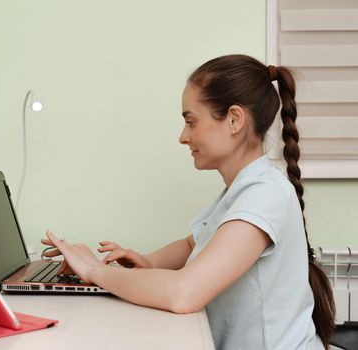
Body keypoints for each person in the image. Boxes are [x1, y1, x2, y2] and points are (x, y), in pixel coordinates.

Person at [41, 54, 335, 349]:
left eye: (191, 122)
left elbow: (184, 293)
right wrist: (149, 261)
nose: (183, 137)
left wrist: (95, 271)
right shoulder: (243, 191)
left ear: (234, 119)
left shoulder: (265, 195)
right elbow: (194, 244)